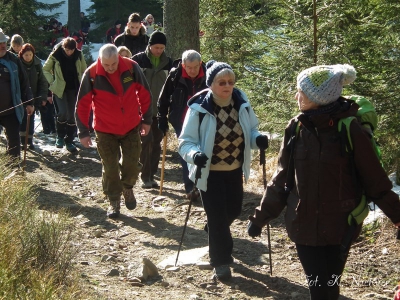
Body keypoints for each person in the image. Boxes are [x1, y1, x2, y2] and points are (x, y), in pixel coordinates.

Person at [247, 64, 400, 300]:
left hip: (341, 225)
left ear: (318, 97)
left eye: (301, 91)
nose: (297, 96)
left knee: (329, 286)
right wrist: (260, 217)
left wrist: (398, 216)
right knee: (319, 289)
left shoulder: (350, 129)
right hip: (303, 223)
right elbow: (281, 179)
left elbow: (375, 180)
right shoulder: (296, 127)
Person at [178, 62, 268, 280]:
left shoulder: (241, 102)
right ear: (211, 84)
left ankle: (214, 230)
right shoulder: (199, 108)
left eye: (230, 82)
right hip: (209, 172)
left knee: (234, 211)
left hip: (234, 169)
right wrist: (195, 155)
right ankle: (220, 261)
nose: (227, 86)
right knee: (218, 217)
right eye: (222, 82)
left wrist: (259, 139)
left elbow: (252, 129)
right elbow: (185, 142)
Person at [75, 44, 152, 218]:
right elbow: (82, 104)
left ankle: (128, 187)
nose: (110, 68)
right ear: (101, 60)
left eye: (113, 64)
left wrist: (146, 120)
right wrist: (83, 132)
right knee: (110, 167)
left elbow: (145, 94)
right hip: (104, 130)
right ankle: (114, 201)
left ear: (119, 58)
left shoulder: (132, 67)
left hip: (131, 126)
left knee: (131, 164)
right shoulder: (92, 74)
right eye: (106, 65)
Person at [158, 50, 207, 199]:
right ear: (183, 65)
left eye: (195, 67)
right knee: (187, 155)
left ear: (200, 63)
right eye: (188, 67)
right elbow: (163, 98)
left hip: (204, 121)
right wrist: (162, 118)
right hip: (181, 122)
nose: (192, 71)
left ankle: (204, 188)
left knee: (204, 153)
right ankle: (191, 188)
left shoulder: (208, 75)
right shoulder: (175, 75)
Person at [132, 31, 172, 189]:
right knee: (146, 142)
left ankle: (152, 173)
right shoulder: (137, 60)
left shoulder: (169, 63)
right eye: (156, 47)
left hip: (160, 111)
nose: (159, 50)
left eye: (162, 48)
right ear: (150, 45)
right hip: (141, 110)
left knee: (156, 143)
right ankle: (145, 175)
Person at [42, 37, 87, 152]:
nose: (69, 52)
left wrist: (84, 83)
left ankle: (70, 140)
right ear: (63, 48)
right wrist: (52, 82)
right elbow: (45, 69)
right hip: (59, 89)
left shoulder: (78, 55)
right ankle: (60, 136)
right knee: (62, 112)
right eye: (67, 50)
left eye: (71, 50)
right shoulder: (55, 55)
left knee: (72, 115)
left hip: (74, 88)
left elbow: (84, 70)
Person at [0, 28, 33, 163]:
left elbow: (24, 82)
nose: (3, 45)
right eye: (0, 43)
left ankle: (14, 169)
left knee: (14, 141)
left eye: (4, 43)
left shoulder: (13, 60)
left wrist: (29, 102)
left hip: (11, 109)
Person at [18, 43, 48, 149]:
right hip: (20, 97)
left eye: (30, 54)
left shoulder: (37, 65)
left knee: (31, 119)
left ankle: (29, 141)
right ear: (22, 55)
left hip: (33, 97)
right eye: (26, 55)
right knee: (21, 119)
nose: (28, 57)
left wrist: (43, 97)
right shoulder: (18, 64)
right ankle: (22, 141)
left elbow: (43, 82)